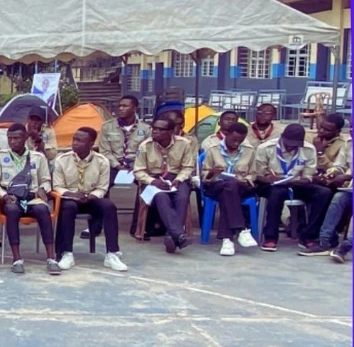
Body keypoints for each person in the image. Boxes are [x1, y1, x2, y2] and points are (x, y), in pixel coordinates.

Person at [54, 127, 129, 272]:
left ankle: (112, 254)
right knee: (68, 207)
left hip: (91, 198)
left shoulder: (102, 161)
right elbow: (57, 186)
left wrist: (92, 196)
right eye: (74, 139)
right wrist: (72, 194)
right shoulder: (62, 160)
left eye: (80, 140)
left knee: (109, 206)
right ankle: (66, 253)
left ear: (91, 144)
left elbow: (102, 187)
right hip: (71, 198)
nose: (75, 143)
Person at [0, 123, 59, 275]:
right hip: (11, 198)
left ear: (25, 138)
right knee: (11, 211)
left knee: (43, 210)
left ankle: (51, 258)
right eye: (10, 138)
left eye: (16, 138)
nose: (12, 142)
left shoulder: (38, 157)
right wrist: (4, 195)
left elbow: (46, 180)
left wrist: (43, 189)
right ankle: (17, 259)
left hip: (32, 197)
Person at [251, 122, 330, 252]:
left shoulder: (309, 149)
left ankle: (308, 235)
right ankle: (270, 237)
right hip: (271, 185)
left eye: (295, 145)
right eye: (288, 143)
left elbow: (308, 176)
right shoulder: (265, 148)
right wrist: (269, 179)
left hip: (295, 183)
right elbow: (257, 175)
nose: (290, 147)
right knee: (277, 193)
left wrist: (301, 181)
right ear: (282, 137)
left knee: (323, 193)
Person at [132, 115, 194, 253]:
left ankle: (172, 236)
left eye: (160, 129)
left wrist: (179, 179)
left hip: (176, 178)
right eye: (154, 128)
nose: (155, 132)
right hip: (152, 179)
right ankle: (178, 235)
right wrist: (153, 181)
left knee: (182, 197)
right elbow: (138, 171)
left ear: (171, 131)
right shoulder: (145, 146)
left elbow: (188, 167)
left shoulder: (184, 144)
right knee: (161, 197)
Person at [199, 121, 259, 257]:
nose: (236, 143)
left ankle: (227, 240)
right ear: (226, 135)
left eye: (240, 141)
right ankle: (241, 229)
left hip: (240, 187)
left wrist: (246, 180)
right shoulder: (213, 149)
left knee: (230, 190)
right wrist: (212, 172)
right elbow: (205, 176)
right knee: (229, 186)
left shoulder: (249, 150)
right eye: (234, 140)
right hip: (216, 186)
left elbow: (253, 174)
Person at [302, 113, 352, 256]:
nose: (322, 131)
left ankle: (337, 240)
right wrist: (332, 173)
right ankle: (324, 242)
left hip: (345, 184)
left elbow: (344, 171)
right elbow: (339, 166)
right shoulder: (349, 144)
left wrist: (319, 152)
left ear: (337, 131)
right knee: (335, 197)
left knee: (328, 193)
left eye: (327, 129)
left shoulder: (341, 143)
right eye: (351, 127)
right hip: (342, 186)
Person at [97, 95, 152, 184]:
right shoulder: (107, 126)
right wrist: (118, 166)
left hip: (137, 165)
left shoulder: (146, 129)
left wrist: (136, 165)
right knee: (106, 184)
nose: (120, 109)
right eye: (119, 106)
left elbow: (148, 151)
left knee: (144, 184)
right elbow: (105, 151)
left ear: (134, 109)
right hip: (113, 165)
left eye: (125, 106)